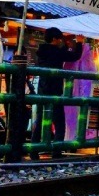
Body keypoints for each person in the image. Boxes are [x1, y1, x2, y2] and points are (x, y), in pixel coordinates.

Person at [30, 27, 83, 160]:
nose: (60, 41)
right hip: (54, 90)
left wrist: (67, 46)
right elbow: (75, 56)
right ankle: (57, 151)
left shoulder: (41, 51)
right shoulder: (56, 52)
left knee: (41, 120)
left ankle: (33, 150)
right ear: (54, 39)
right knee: (59, 122)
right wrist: (80, 43)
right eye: (59, 39)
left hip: (42, 89)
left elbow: (62, 53)